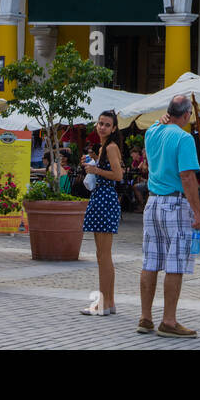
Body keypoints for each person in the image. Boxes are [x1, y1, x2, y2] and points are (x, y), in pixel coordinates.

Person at [138, 95, 200, 338]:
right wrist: (198, 212)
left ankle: (145, 317)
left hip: (153, 201)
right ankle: (169, 320)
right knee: (175, 263)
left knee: (150, 261)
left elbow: (157, 123)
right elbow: (187, 177)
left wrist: (160, 119)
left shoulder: (152, 132)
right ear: (186, 115)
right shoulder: (184, 138)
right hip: (175, 203)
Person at [80, 110, 124, 316]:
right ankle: (109, 302)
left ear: (114, 128)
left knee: (103, 255)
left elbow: (118, 175)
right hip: (102, 199)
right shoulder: (104, 147)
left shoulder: (112, 147)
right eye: (100, 123)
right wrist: (93, 161)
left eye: (107, 124)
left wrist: (96, 170)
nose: (102, 127)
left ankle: (103, 303)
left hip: (105, 200)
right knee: (102, 255)